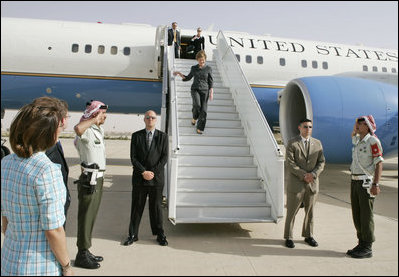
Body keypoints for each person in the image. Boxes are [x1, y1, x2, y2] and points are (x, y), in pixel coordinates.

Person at [1, 97, 73, 276]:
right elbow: (54, 230)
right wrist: (66, 266)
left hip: (9, 259)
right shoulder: (46, 170)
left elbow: (5, 221)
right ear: (47, 133)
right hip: (39, 266)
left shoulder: (6, 163)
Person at [123, 110, 169, 247]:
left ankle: (160, 234)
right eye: (148, 117)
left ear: (156, 120)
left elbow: (164, 157)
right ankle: (132, 234)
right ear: (144, 119)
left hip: (156, 178)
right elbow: (133, 157)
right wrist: (143, 172)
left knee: (156, 208)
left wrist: (152, 172)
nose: (150, 119)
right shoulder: (136, 136)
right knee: (137, 207)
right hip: (139, 178)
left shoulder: (163, 137)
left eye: (153, 117)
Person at [73, 100, 108, 269]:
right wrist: (94, 119)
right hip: (89, 179)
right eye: (102, 114)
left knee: (91, 216)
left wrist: (97, 121)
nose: (105, 117)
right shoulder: (86, 130)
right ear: (94, 114)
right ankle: (81, 255)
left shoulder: (97, 130)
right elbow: (78, 129)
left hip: (99, 178)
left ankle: (86, 250)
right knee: (86, 216)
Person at [283, 119, 325, 248]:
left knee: (310, 212)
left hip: (312, 183)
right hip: (296, 183)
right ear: (299, 128)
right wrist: (303, 175)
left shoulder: (317, 144)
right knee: (291, 212)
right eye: (305, 127)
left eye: (310, 127)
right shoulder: (292, 143)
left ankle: (308, 235)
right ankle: (289, 237)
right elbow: (290, 163)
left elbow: (321, 162)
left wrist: (312, 175)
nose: (308, 129)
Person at [346, 115, 383, 259]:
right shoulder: (357, 141)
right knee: (357, 214)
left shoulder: (373, 141)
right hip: (354, 181)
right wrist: (355, 130)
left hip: (365, 182)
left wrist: (376, 184)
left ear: (367, 126)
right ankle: (361, 243)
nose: (358, 126)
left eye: (360, 124)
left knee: (366, 215)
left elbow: (379, 163)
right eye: (357, 124)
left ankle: (367, 246)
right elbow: (353, 136)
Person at [32, 97, 71, 227]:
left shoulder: (54, 144)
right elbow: (52, 226)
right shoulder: (46, 151)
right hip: (51, 222)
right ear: (62, 120)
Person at [173, 50, 214, 134]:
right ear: (197, 60)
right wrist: (180, 74)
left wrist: (211, 91)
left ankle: (200, 128)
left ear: (205, 59)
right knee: (197, 105)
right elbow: (188, 77)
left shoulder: (209, 69)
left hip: (205, 91)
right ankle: (195, 117)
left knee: (204, 110)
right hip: (195, 89)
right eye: (199, 60)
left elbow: (211, 81)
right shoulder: (194, 68)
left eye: (202, 60)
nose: (201, 61)